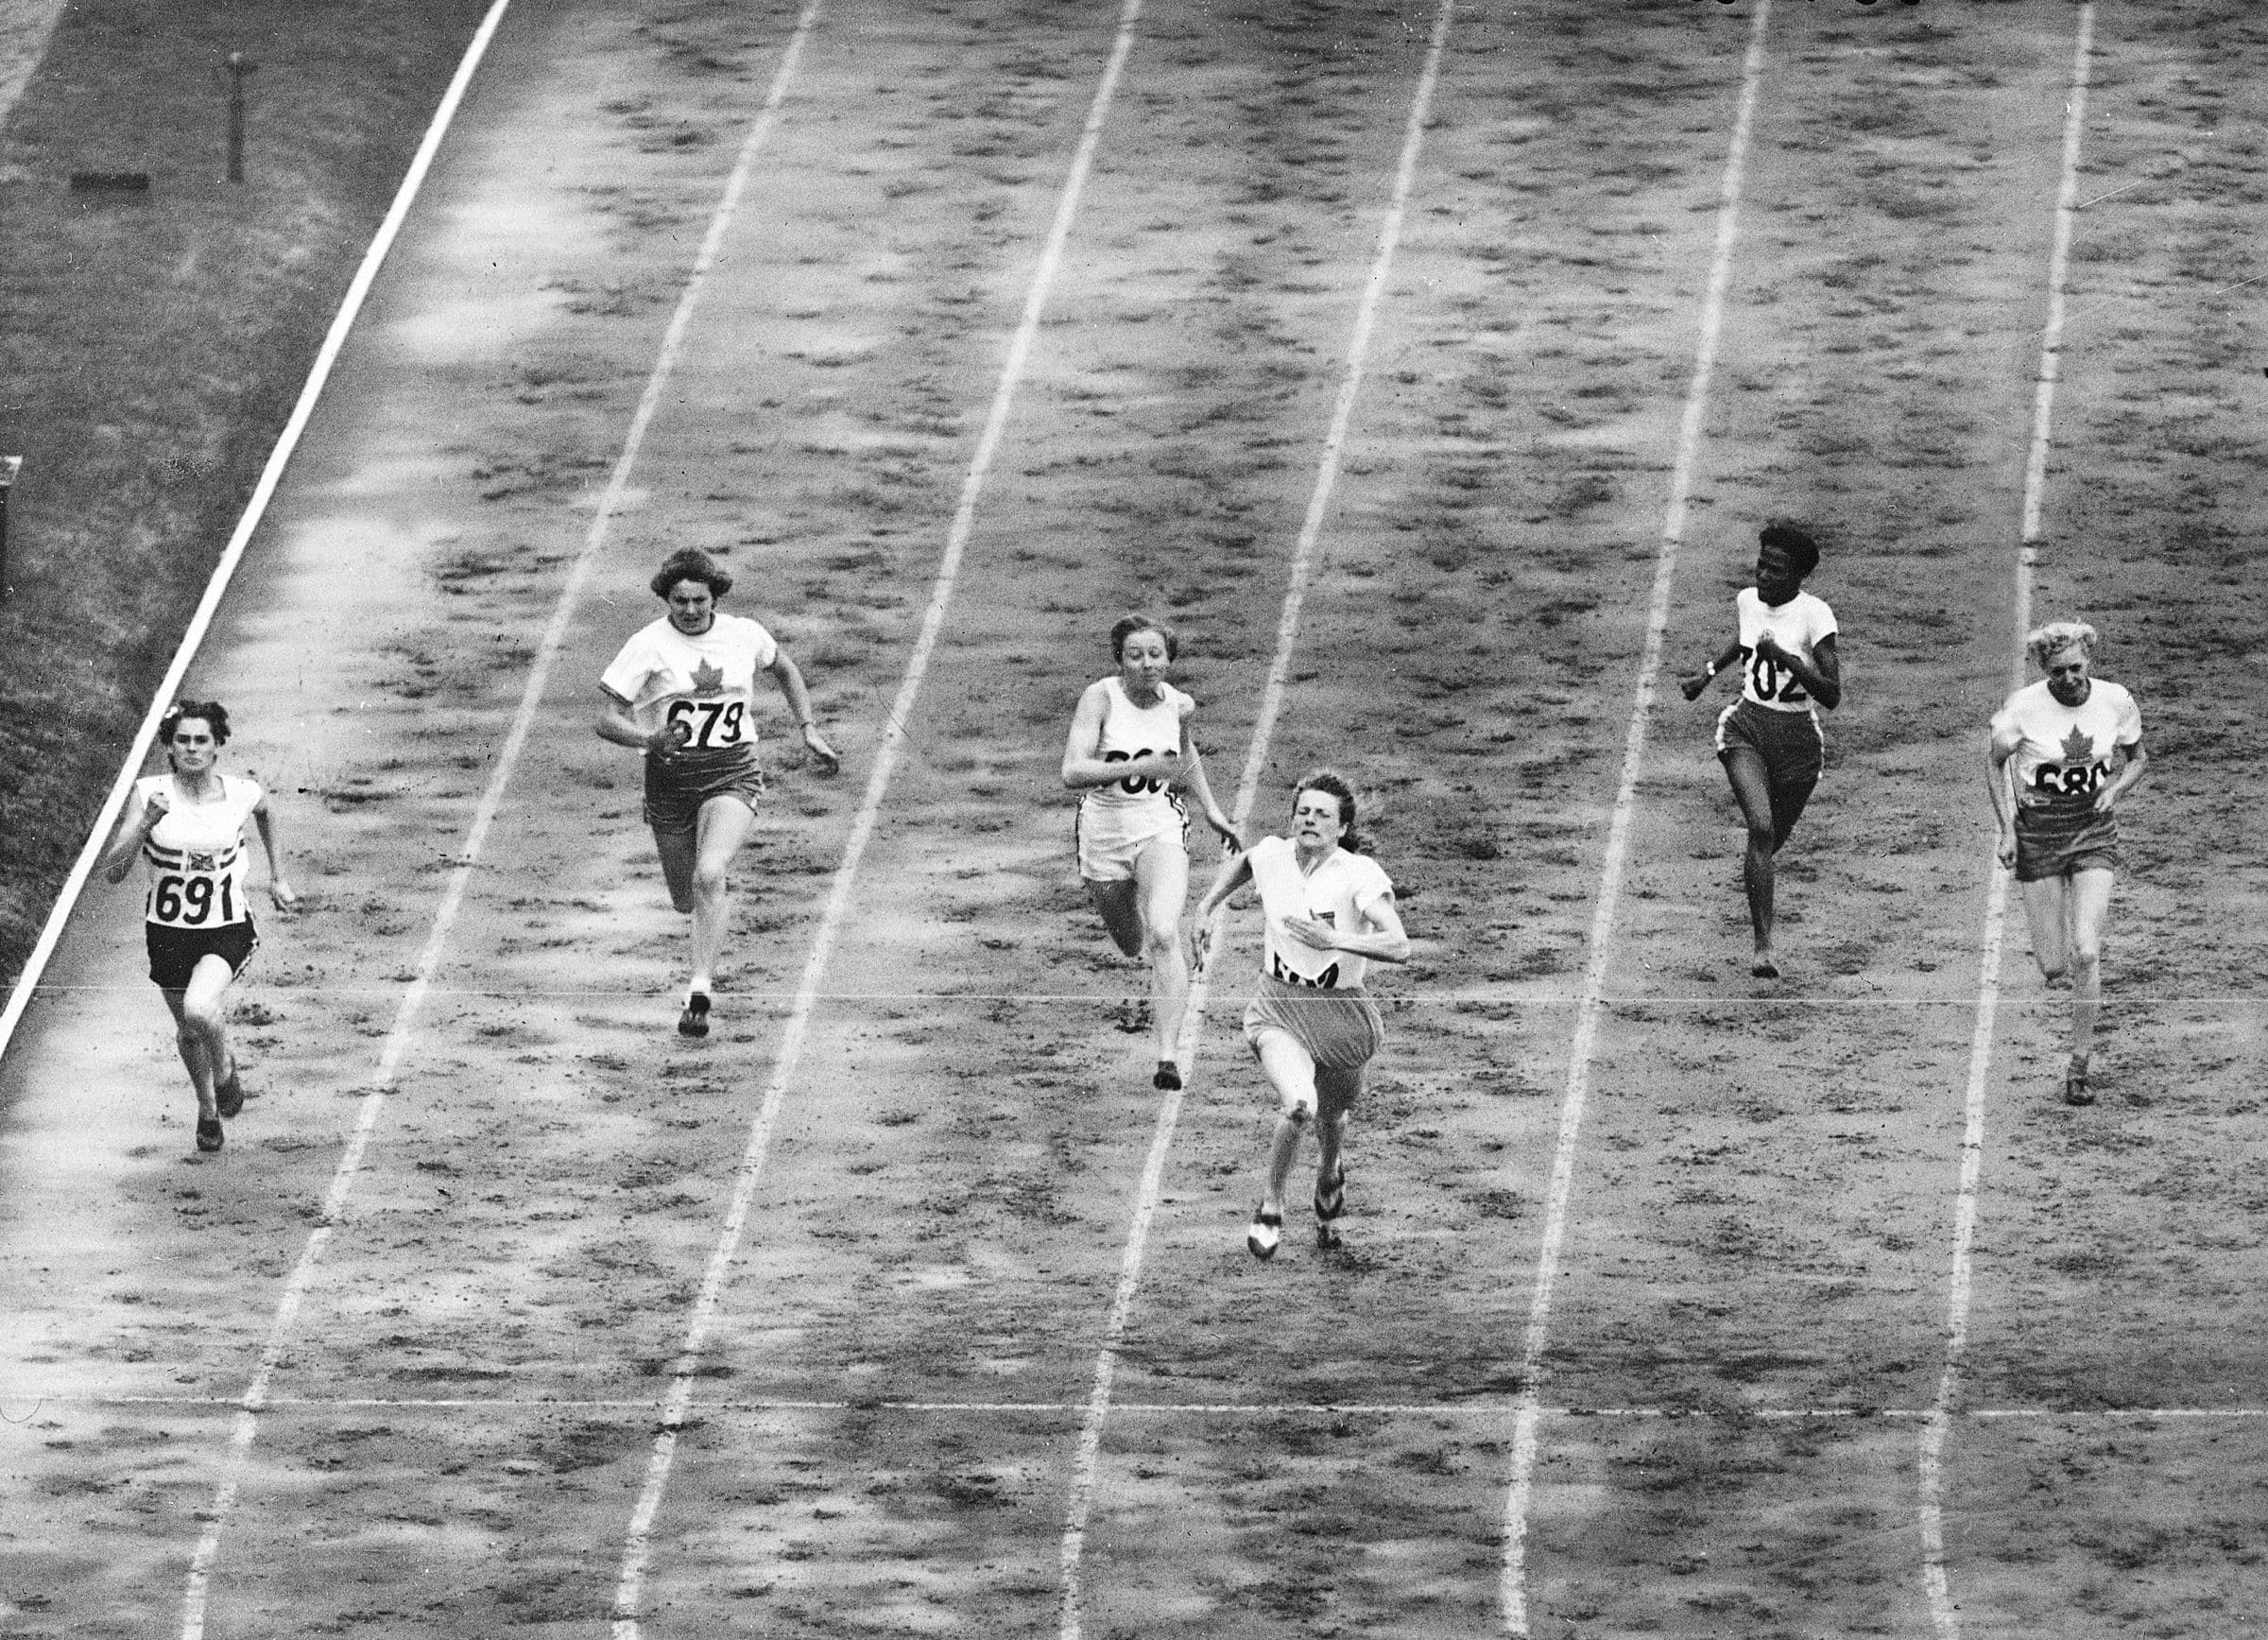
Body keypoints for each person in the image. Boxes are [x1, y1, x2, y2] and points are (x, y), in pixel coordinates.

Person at [596, 547, 839, 1037]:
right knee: (687, 898)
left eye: (699, 600)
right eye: (679, 601)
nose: (689, 610)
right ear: (666, 598)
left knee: (711, 874)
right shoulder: (646, 645)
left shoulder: (744, 634)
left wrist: (808, 727)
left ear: (715, 597)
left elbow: (785, 668)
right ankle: (712, 906)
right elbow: (605, 718)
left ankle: (700, 991)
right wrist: (647, 738)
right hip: (670, 781)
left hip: (733, 770)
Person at [1194, 770, 1409, 1260]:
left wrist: (1334, 938)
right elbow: (1246, 863)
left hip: (1340, 1014)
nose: (1309, 820)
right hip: (1278, 1006)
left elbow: (1399, 945)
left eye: (1322, 815)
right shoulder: (1273, 853)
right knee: (1299, 1105)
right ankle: (1271, 1204)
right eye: (1303, 811)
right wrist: (1207, 907)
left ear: (1342, 827)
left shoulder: (1360, 874)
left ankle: (1331, 1169)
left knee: (1332, 1117)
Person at [97, 700, 298, 1153]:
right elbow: (112, 872)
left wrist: (277, 877)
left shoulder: (242, 792)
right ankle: (208, 1111)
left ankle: (225, 1070)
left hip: (225, 926)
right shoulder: (149, 793)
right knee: (188, 1033)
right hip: (167, 933)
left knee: (199, 1008)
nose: (191, 748)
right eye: (182, 740)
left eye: (200, 740)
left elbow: (266, 812)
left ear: (217, 745)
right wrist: (146, 822)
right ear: (169, 747)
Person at [1061, 613, 1238, 1089]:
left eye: (1155, 654)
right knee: (1131, 943)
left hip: (1158, 825)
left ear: (1169, 659)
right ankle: (1132, 927)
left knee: (1164, 932)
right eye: (1135, 655)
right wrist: (1139, 765)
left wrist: (1212, 809)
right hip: (1102, 836)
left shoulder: (1178, 705)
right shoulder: (1100, 699)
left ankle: (1167, 1056)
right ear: (1119, 658)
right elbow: (1073, 772)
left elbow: (1183, 755)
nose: (1146, 664)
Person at [1987, 619, 2148, 1107]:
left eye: (2076, 668)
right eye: (2058, 671)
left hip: (2092, 829)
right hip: (2039, 830)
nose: (2069, 679)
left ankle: (2079, 1064)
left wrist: (2116, 790)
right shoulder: (2023, 708)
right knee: (2054, 965)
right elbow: (1994, 761)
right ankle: (2058, 961)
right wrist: (2007, 826)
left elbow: (2138, 757)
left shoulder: (2116, 700)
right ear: (2045, 671)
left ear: (2089, 663)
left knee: (2086, 951)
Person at [1679, 522, 1843, 978]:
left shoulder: (1816, 617)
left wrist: (1788, 659)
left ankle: (1757, 886)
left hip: (1798, 746)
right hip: (1746, 728)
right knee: (1762, 828)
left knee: (1766, 847)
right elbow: (1745, 640)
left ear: (1798, 577)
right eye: (1762, 564)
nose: (1764, 576)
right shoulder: (1747, 600)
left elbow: (1831, 694)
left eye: (1777, 569)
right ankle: (1763, 947)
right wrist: (1708, 673)